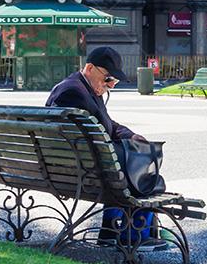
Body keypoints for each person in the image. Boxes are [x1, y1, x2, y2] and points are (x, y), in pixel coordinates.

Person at [46, 47, 166, 247]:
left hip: (73, 170)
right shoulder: (73, 93)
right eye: (108, 78)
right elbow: (94, 138)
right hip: (84, 172)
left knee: (125, 170)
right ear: (89, 68)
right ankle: (136, 235)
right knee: (145, 176)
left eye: (114, 81)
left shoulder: (82, 88)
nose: (110, 85)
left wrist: (130, 136)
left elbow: (105, 125)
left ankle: (111, 229)